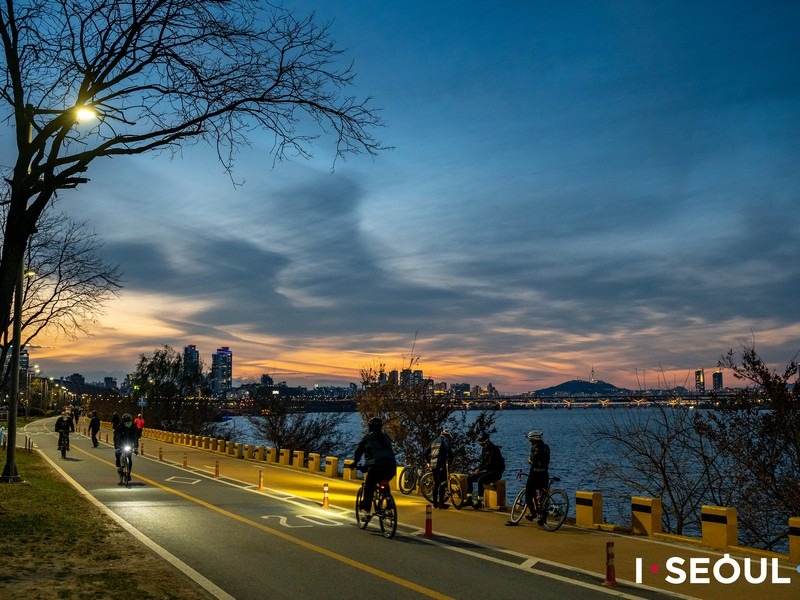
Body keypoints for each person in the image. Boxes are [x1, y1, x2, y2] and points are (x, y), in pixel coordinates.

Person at [352, 417, 397, 518]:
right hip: (390, 467)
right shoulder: (386, 437)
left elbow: (359, 451)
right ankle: (388, 501)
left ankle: (366, 510)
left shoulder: (368, 437)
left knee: (369, 486)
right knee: (384, 481)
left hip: (375, 466)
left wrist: (355, 462)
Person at [463, 432, 505, 509]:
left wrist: (480, 469)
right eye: (480, 445)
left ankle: (479, 502)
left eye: (482, 444)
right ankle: (469, 499)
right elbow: (483, 462)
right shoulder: (484, 450)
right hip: (487, 471)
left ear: (487, 441)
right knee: (470, 478)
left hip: (495, 472)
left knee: (480, 480)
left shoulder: (494, 449)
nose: (482, 446)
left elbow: (490, 463)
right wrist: (476, 468)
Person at [524, 430, 550, 525]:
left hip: (534, 474)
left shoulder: (535, 448)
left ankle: (533, 513)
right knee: (543, 497)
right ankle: (543, 519)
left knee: (528, 496)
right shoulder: (546, 447)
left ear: (534, 440)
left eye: (530, 440)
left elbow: (533, 460)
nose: (530, 442)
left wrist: (529, 459)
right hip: (544, 474)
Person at [424, 429, 453, 509]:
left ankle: (435, 503)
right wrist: (450, 459)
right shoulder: (444, 440)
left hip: (433, 465)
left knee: (436, 484)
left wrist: (428, 462)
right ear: (447, 435)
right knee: (443, 483)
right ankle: (441, 504)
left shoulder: (434, 441)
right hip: (440, 465)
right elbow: (448, 450)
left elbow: (426, 453)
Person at [113, 413, 139, 479]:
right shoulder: (119, 427)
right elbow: (117, 437)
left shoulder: (134, 427)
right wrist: (117, 446)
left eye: (129, 422)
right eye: (126, 422)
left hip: (129, 444)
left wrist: (136, 447)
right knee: (117, 452)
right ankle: (118, 463)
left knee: (129, 459)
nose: (128, 423)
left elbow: (136, 437)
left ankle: (129, 473)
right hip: (121, 443)